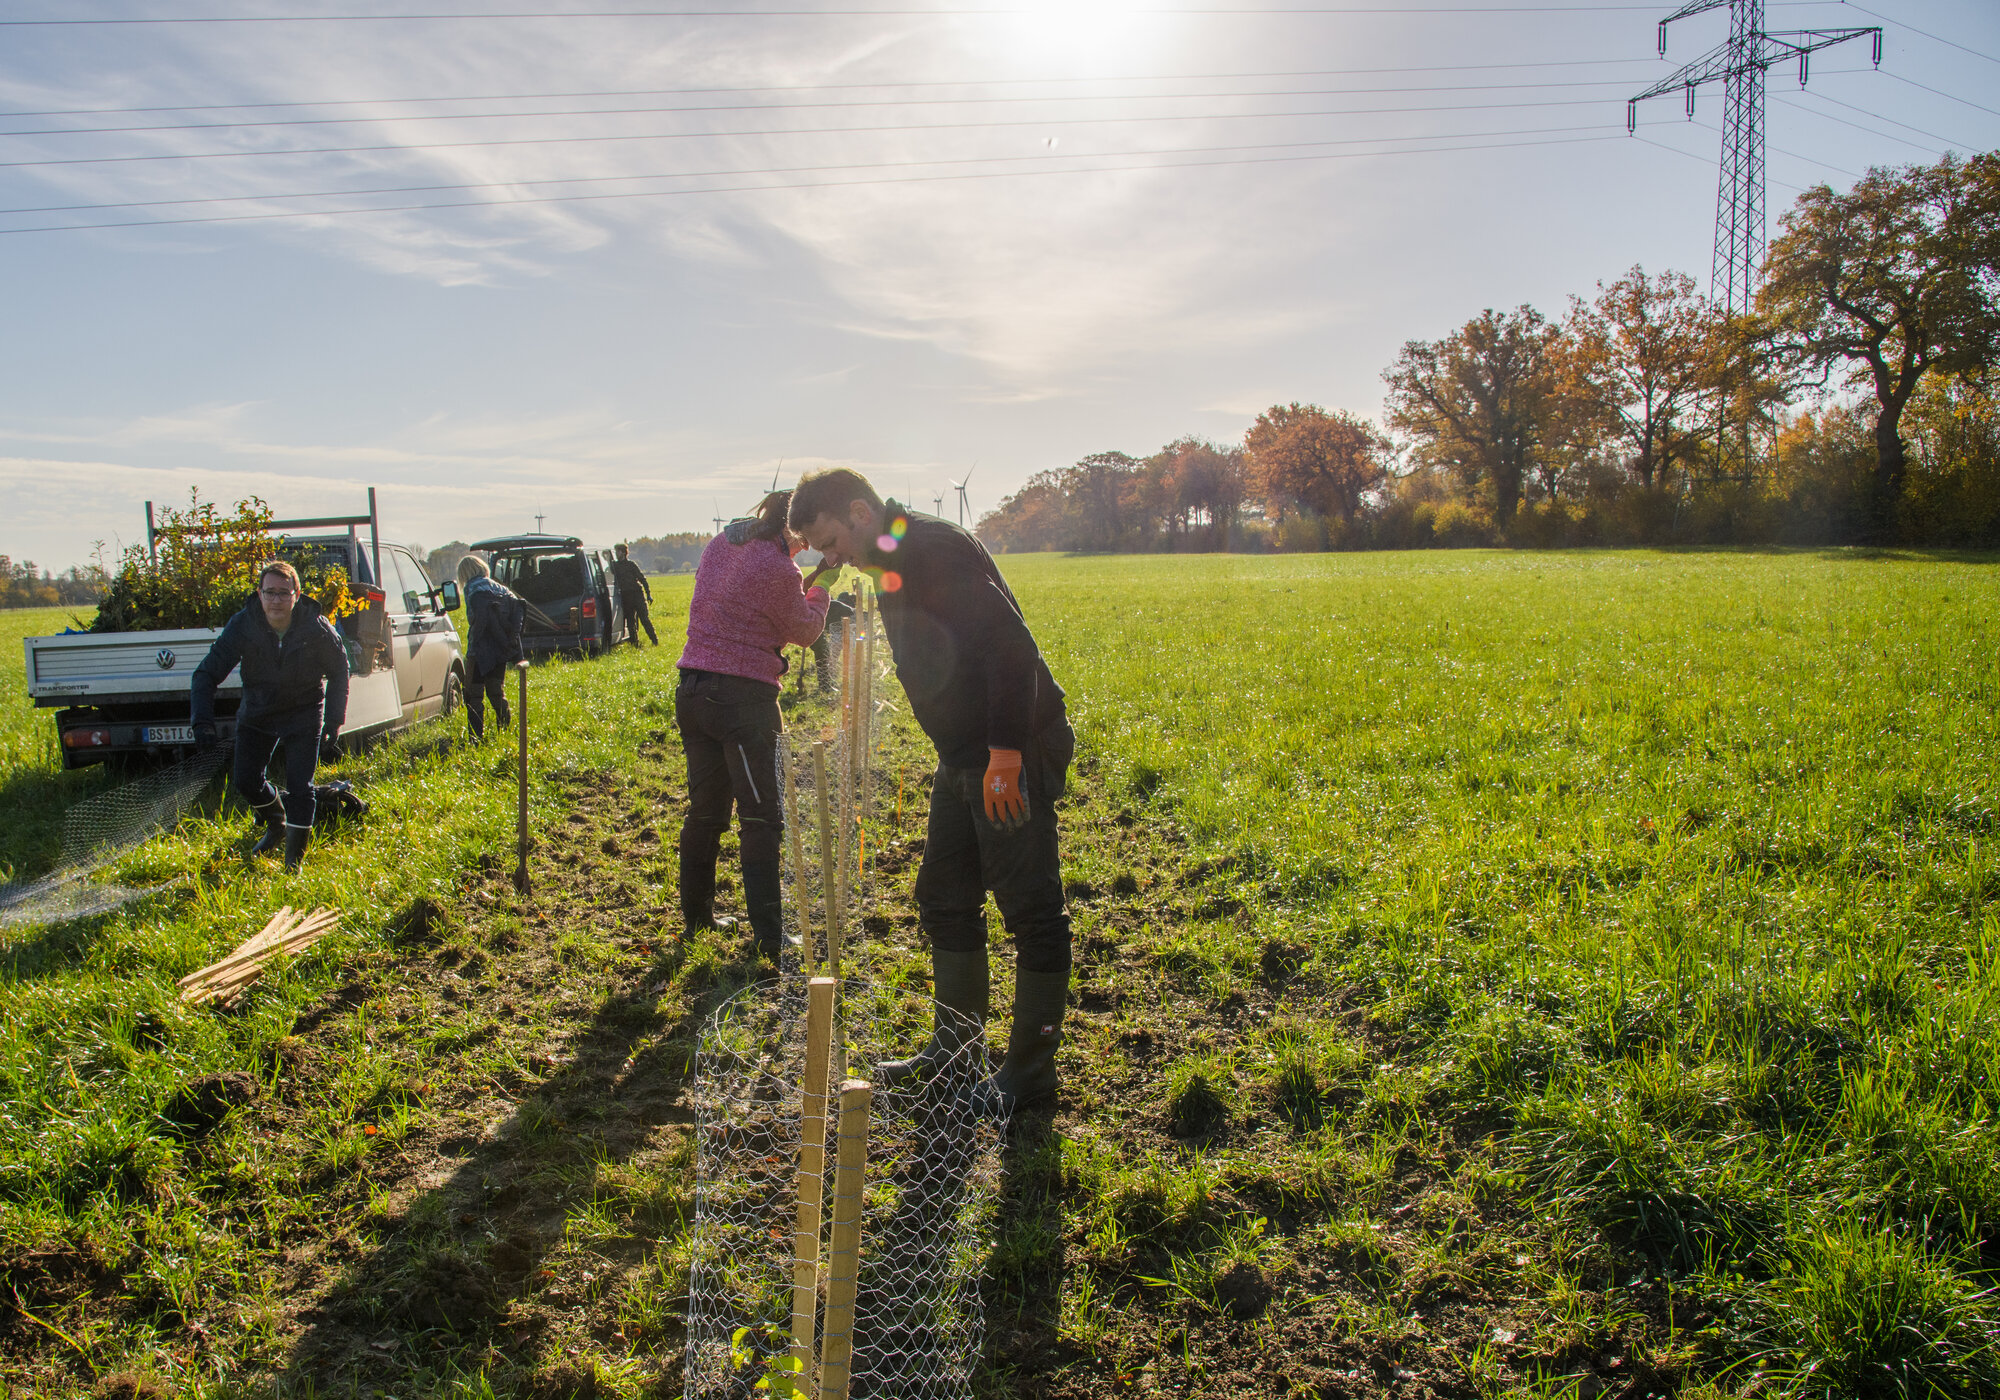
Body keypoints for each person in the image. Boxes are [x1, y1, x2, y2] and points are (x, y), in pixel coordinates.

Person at [789, 469, 1075, 1112]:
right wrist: (826, 576)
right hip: (963, 756)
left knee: (1030, 910)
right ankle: (954, 1052)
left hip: (1008, 751)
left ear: (861, 512)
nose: (828, 557)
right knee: (944, 897)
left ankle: (1029, 1075)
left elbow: (1011, 649)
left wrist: (1005, 754)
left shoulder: (931, 550)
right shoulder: (890, 553)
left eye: (830, 540)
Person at [677, 491, 835, 960]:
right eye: (804, 534)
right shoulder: (776, 566)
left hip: (693, 691)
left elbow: (759, 601)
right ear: (792, 527)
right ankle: (769, 935)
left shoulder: (722, 544)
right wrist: (823, 592)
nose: (806, 544)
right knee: (762, 817)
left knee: (705, 812)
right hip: (742, 700)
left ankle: (698, 920)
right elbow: (804, 631)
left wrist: (808, 578)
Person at [190, 559, 351, 873]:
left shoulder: (316, 627)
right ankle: (276, 824)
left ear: (296, 594)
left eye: (283, 593)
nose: (276, 600)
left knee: (300, 786)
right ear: (260, 594)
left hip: (303, 711)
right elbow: (205, 674)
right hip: (258, 711)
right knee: (245, 780)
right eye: (270, 593)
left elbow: (340, 671)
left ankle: (293, 864)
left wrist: (334, 719)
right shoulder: (243, 624)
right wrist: (202, 722)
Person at [457, 553, 525, 740]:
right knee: (496, 692)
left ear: (464, 573)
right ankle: (505, 732)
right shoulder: (503, 589)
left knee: (474, 695)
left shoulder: (472, 589)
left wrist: (471, 654)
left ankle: (476, 737)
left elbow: (477, 624)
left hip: (480, 649)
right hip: (500, 648)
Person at [808, 587, 858, 695]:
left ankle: (828, 680)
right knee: (823, 651)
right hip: (824, 632)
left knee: (826, 653)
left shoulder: (832, 606)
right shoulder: (835, 606)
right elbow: (854, 613)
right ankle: (826, 683)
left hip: (831, 631)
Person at [611, 544, 658, 646]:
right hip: (626, 597)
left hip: (637, 595)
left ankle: (655, 641)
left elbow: (642, 579)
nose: (616, 554)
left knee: (644, 619)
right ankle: (634, 644)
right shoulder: (615, 566)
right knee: (630, 622)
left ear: (623, 552)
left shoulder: (631, 565)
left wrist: (648, 594)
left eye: (618, 552)